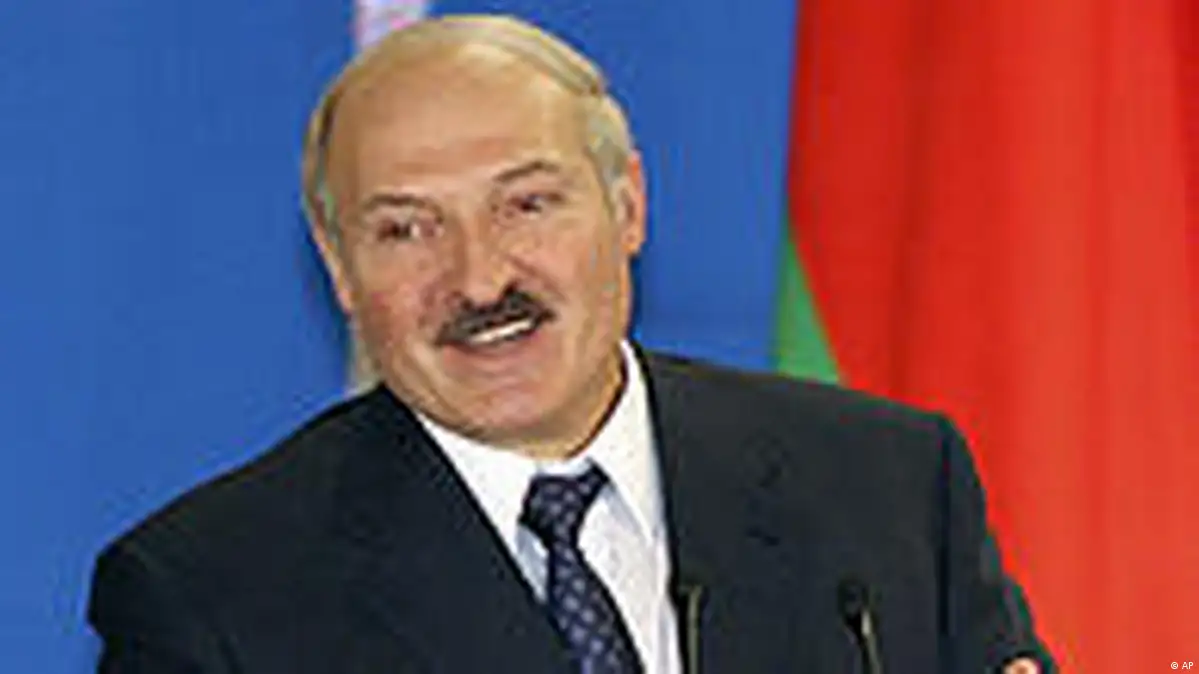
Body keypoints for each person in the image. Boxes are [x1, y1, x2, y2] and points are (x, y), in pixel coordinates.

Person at [87, 14, 1053, 674]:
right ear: (340, 267)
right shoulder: (212, 597)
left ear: (626, 204)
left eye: (527, 204)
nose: (478, 280)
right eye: (406, 229)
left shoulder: (886, 486)